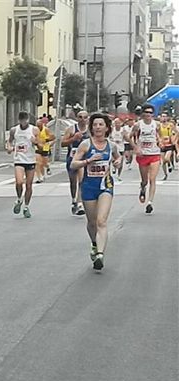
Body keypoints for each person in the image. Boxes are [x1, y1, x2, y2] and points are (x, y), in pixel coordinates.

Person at [70, 113, 122, 270]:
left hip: (105, 185)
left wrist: (118, 163)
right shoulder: (86, 145)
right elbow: (73, 165)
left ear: (107, 127)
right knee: (92, 223)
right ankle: (94, 243)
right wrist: (88, 161)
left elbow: (117, 160)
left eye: (101, 124)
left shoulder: (111, 145)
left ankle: (100, 254)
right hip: (88, 187)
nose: (98, 127)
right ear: (91, 127)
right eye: (95, 125)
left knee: (101, 221)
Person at [131, 104, 162, 214]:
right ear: (143, 113)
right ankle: (143, 188)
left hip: (154, 153)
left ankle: (150, 203)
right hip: (143, 155)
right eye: (146, 112)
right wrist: (136, 147)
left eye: (150, 113)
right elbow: (131, 137)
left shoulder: (156, 124)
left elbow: (159, 135)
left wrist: (160, 141)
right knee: (144, 180)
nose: (148, 115)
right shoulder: (138, 125)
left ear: (153, 114)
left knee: (152, 179)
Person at [7, 111, 38, 218]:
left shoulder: (34, 130)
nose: (23, 122)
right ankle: (19, 199)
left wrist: (36, 142)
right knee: (19, 182)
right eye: (21, 120)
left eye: (25, 120)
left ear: (28, 120)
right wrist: (9, 147)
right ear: (19, 120)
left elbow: (41, 144)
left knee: (29, 185)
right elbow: (10, 141)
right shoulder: (14, 130)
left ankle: (26, 206)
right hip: (19, 160)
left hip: (30, 160)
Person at [61, 110, 90, 215]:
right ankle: (74, 200)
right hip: (72, 158)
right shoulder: (71, 129)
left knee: (82, 181)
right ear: (77, 118)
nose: (82, 119)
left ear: (88, 119)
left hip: (84, 159)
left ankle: (80, 203)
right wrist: (74, 138)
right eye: (80, 117)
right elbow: (63, 143)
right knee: (73, 182)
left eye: (85, 117)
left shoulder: (90, 130)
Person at [35, 117, 55, 182]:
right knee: (38, 163)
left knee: (44, 163)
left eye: (39, 125)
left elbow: (53, 137)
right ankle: (40, 177)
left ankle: (48, 167)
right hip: (37, 148)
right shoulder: (34, 130)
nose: (38, 127)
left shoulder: (46, 129)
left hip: (45, 147)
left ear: (42, 124)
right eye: (37, 125)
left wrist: (46, 140)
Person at [159, 112, 175, 180]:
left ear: (167, 117)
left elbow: (176, 132)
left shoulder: (170, 125)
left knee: (166, 158)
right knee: (163, 162)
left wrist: (173, 139)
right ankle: (165, 175)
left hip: (169, 145)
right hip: (163, 145)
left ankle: (170, 164)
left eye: (165, 116)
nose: (164, 118)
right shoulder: (159, 125)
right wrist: (159, 141)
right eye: (162, 116)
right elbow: (158, 135)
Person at [109, 117, 125, 182]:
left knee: (121, 163)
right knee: (113, 160)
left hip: (121, 148)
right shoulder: (112, 130)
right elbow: (109, 137)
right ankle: (114, 168)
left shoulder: (123, 130)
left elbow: (127, 138)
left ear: (121, 123)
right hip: (113, 148)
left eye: (118, 123)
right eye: (116, 123)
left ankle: (119, 175)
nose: (117, 124)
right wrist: (112, 140)